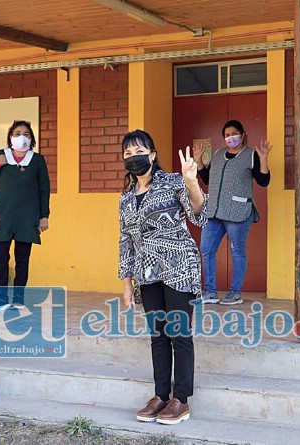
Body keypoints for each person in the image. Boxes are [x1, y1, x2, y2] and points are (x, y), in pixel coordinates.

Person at [118, 129, 207, 425]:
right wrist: (127, 283)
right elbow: (126, 241)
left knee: (179, 333)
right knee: (158, 336)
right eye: (128, 153)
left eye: (139, 151)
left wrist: (192, 182)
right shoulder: (126, 198)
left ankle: (180, 400)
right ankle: (160, 395)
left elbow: (198, 214)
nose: (134, 157)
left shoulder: (172, 182)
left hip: (179, 266)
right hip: (147, 272)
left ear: (153, 155)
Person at [192, 120, 271, 305]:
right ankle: (210, 292)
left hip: (238, 211)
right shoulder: (219, 154)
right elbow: (207, 180)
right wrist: (198, 162)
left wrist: (264, 158)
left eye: (234, 133)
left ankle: (235, 293)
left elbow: (264, 181)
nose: (230, 137)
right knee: (206, 249)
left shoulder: (251, 155)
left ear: (243, 135)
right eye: (227, 135)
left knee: (237, 251)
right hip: (215, 212)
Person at [0, 120, 50, 311]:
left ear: (32, 138)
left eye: (26, 134)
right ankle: (0, 299)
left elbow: (44, 189)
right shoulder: (0, 156)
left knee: (22, 258)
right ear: (10, 136)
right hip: (3, 216)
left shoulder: (37, 160)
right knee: (1, 257)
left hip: (27, 218)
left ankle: (18, 299)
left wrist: (44, 216)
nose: (22, 137)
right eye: (17, 133)